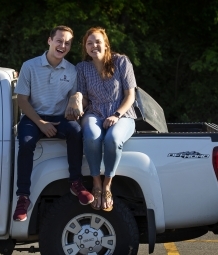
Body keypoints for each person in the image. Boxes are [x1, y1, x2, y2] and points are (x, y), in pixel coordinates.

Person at [13, 25, 94, 222]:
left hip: (60, 117)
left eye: (67, 43)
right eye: (59, 40)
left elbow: (76, 97)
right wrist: (41, 124)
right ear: (49, 41)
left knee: (76, 132)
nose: (63, 45)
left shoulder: (72, 70)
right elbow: (22, 100)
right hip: (34, 117)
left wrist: (76, 99)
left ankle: (75, 182)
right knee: (25, 142)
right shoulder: (30, 66)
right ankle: (23, 197)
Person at [75, 27, 137, 211]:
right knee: (92, 137)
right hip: (94, 112)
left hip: (122, 113)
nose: (94, 46)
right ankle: (96, 182)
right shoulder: (82, 68)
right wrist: (77, 99)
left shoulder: (121, 62)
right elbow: (85, 99)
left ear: (106, 44)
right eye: (89, 43)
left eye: (98, 42)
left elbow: (130, 96)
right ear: (85, 47)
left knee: (113, 139)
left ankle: (108, 184)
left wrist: (116, 115)